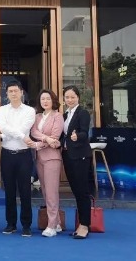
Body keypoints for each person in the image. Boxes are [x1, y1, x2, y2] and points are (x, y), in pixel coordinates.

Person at [0, 79, 36, 237]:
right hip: (7, 154)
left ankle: (26, 225)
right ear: (6, 94)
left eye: (16, 91)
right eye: (10, 91)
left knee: (25, 190)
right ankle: (11, 224)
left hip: (24, 155)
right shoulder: (2, 110)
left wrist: (14, 133)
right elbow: (3, 128)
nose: (13, 93)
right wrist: (21, 136)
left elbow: (24, 127)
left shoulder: (29, 111)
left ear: (21, 92)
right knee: (9, 190)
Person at [30, 89, 64, 237]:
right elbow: (33, 132)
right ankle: (57, 223)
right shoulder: (37, 116)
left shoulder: (58, 116)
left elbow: (55, 138)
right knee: (44, 191)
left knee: (51, 192)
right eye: (42, 99)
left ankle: (51, 226)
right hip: (39, 157)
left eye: (48, 98)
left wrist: (39, 144)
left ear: (53, 100)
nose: (45, 101)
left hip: (52, 158)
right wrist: (46, 139)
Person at [61, 85, 92, 240]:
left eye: (72, 97)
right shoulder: (65, 115)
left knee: (82, 191)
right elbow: (63, 134)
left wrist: (77, 136)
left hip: (80, 156)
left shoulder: (83, 113)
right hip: (68, 155)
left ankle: (85, 225)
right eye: (67, 97)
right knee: (75, 190)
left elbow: (85, 133)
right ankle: (81, 223)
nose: (70, 100)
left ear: (78, 97)